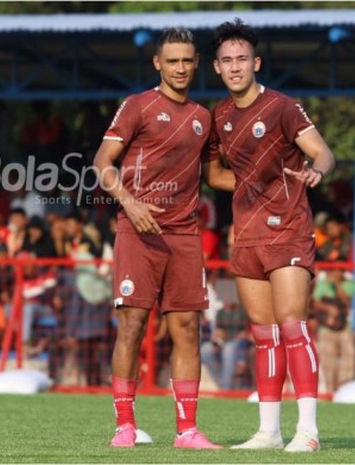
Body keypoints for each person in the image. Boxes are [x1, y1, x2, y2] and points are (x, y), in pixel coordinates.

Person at [93, 28, 233, 449]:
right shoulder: (137, 105)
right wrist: (130, 203)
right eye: (172, 60)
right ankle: (125, 425)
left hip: (185, 235)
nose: (180, 68)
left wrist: (265, 179)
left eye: (187, 60)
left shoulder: (204, 117)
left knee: (187, 328)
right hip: (138, 234)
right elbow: (102, 162)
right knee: (133, 325)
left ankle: (187, 430)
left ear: (196, 63)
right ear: (158, 63)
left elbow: (215, 177)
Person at [208, 19, 335, 452]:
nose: (235, 66)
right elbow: (214, 175)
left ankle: (309, 432)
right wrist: (247, 180)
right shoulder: (219, 115)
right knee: (263, 333)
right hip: (245, 235)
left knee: (292, 325)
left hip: (289, 230)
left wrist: (316, 171)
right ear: (217, 68)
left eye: (242, 58)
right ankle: (268, 432)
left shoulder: (282, 106)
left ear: (256, 62)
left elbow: (322, 150)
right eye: (227, 60)